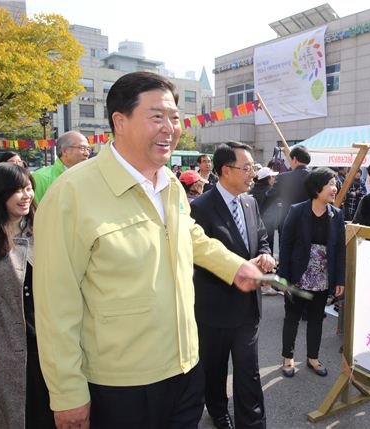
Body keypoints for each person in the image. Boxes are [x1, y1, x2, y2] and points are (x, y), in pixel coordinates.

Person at [33, 72, 262, 429]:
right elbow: (54, 304)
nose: (170, 128)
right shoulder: (71, 194)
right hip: (121, 383)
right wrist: (67, 394)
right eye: (157, 117)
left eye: (174, 118)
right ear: (119, 122)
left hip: (185, 367)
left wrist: (234, 266)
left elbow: (190, 234)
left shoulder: (167, 181)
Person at [190, 141, 275, 429]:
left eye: (252, 167)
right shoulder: (200, 207)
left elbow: (261, 236)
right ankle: (217, 411)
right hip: (215, 307)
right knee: (214, 368)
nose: (253, 172)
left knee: (248, 370)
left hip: (249, 307)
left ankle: (252, 422)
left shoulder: (249, 202)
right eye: (247, 167)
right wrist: (237, 269)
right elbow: (198, 259)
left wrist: (266, 254)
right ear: (226, 170)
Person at [0, 163, 55, 428]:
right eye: (17, 190)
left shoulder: (44, 230)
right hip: (5, 344)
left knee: (51, 412)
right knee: (12, 415)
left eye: (29, 188)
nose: (26, 195)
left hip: (49, 342)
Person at [277, 168, 346, 378]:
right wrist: (284, 277)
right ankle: (287, 358)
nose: (335, 188)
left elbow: (340, 249)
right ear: (317, 188)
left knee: (316, 319)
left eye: (335, 184)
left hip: (323, 276)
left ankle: (312, 358)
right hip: (299, 274)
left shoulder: (337, 214)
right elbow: (286, 244)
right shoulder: (298, 210)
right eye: (331, 184)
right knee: (292, 317)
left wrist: (339, 279)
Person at [31, 131, 89, 204]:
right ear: (65, 151)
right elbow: (34, 212)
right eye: (82, 148)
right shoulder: (41, 177)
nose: (87, 153)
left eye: (88, 149)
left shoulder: (89, 176)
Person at [265, 145, 311, 231]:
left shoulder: (283, 177)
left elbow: (269, 197)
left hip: (289, 222)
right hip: (310, 223)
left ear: (294, 159)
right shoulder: (316, 177)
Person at [250, 166, 279, 259]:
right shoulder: (270, 191)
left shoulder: (252, 190)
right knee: (267, 246)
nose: (274, 179)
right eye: (272, 177)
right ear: (267, 178)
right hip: (267, 224)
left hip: (252, 224)